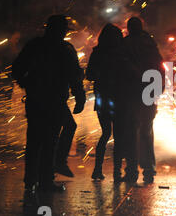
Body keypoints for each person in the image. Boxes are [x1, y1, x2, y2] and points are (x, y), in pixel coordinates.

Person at [12, 15, 85, 193]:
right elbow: (74, 76)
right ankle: (45, 180)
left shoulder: (34, 46)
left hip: (36, 101)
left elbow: (17, 69)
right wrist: (79, 96)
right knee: (49, 141)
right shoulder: (65, 49)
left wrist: (26, 83)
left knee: (35, 141)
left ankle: (31, 180)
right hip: (55, 102)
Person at [121, 17, 164, 184]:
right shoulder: (149, 44)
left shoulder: (125, 45)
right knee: (147, 131)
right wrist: (159, 88)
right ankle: (148, 169)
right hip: (147, 92)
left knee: (132, 132)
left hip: (131, 93)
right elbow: (159, 66)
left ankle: (132, 170)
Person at [86, 24, 125, 180]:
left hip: (102, 97)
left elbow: (89, 74)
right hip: (118, 97)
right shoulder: (120, 53)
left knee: (105, 133)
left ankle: (97, 170)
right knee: (118, 135)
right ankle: (117, 172)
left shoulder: (97, 53)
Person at [54, 104, 78, 178]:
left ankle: (34, 176)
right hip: (56, 100)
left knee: (51, 130)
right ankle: (59, 162)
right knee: (70, 125)